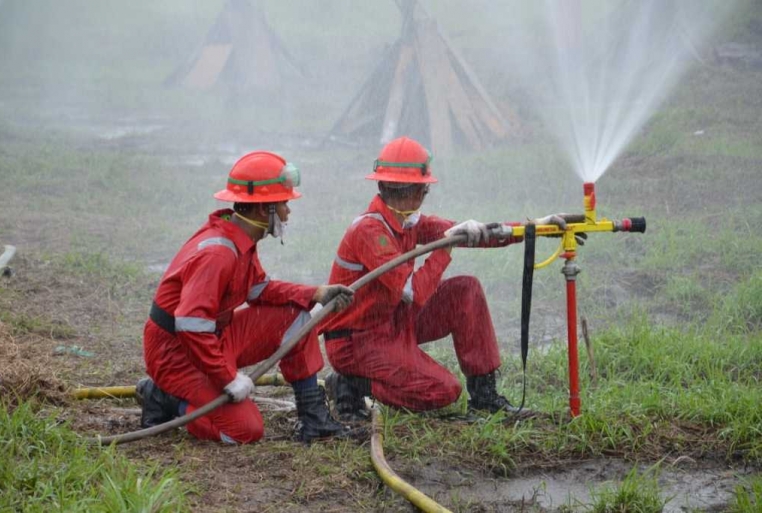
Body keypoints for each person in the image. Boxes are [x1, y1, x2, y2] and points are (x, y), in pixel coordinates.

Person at [321, 136, 571, 421]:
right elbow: (414, 291)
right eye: (422, 191)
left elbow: (474, 235)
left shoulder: (408, 220)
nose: (421, 197)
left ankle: (485, 396)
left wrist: (535, 227)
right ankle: (350, 383)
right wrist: (446, 247)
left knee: (466, 290)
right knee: (443, 390)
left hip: (392, 322)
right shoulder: (369, 231)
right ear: (416, 191)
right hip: (358, 341)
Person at [136, 150, 355, 444]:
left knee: (296, 317)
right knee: (244, 430)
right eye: (285, 204)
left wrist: (315, 293)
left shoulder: (240, 238)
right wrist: (228, 378)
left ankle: (313, 417)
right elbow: (190, 324)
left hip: (211, 338)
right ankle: (163, 398)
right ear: (264, 210)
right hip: (177, 355)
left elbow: (258, 290)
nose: (288, 212)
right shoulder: (219, 253)